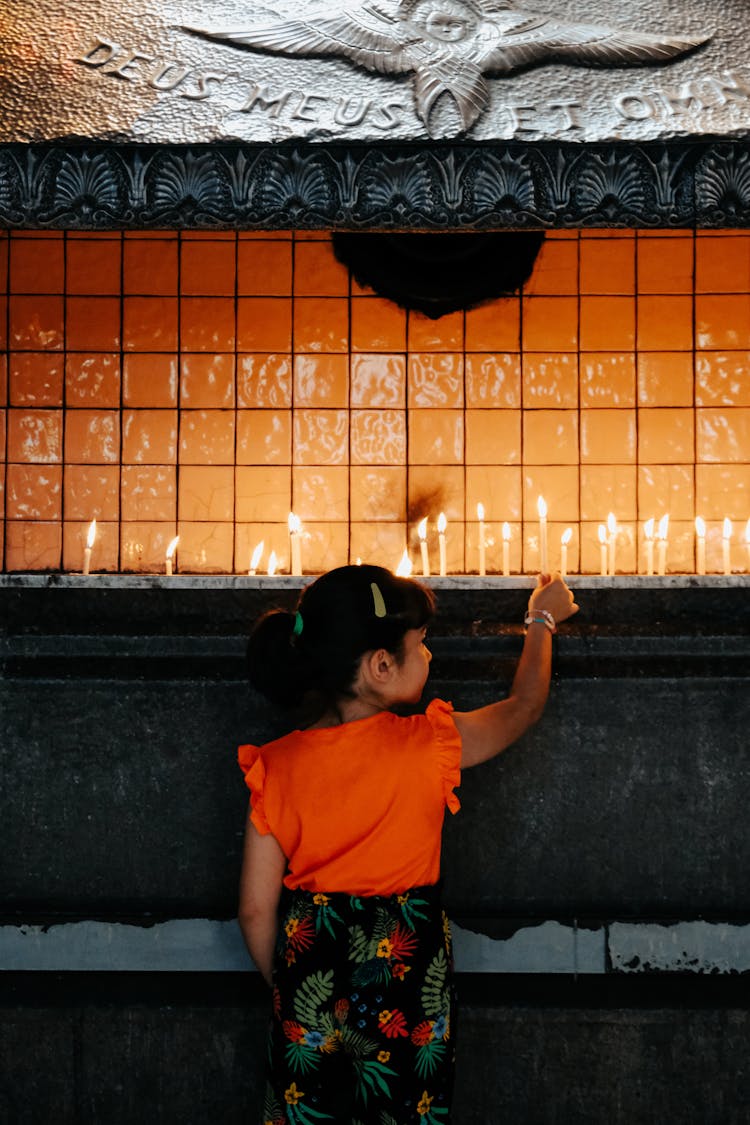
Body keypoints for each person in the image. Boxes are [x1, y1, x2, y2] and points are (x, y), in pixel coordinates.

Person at [238, 563, 578, 1125]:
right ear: (380, 665)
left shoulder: (273, 768)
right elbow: (522, 707)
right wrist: (541, 619)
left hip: (308, 973)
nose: (429, 656)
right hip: (405, 976)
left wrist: (291, 990)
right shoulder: (428, 746)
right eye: (421, 645)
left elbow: (254, 910)